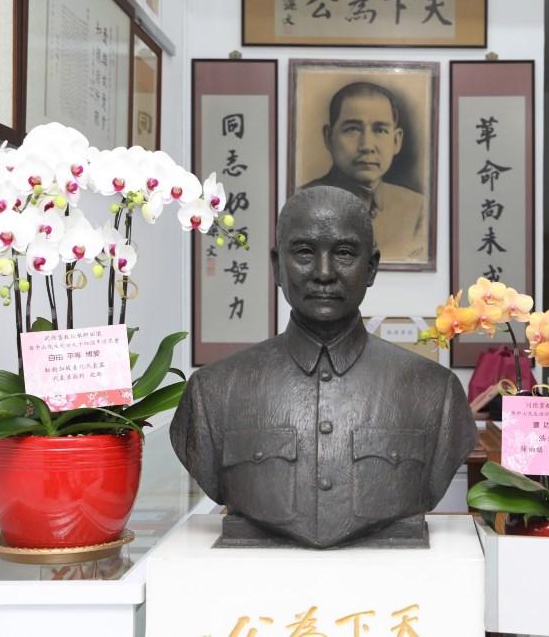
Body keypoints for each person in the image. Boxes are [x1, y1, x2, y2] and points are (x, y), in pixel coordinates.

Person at [170, 186, 475, 548]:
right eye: (303, 252)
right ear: (276, 266)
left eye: (344, 253)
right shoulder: (213, 392)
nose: (324, 273)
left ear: (372, 267)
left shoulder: (435, 393)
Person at [302, 81, 426, 262]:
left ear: (396, 141)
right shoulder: (302, 202)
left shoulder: (418, 209)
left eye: (380, 130)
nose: (367, 146)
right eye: (352, 129)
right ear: (328, 137)